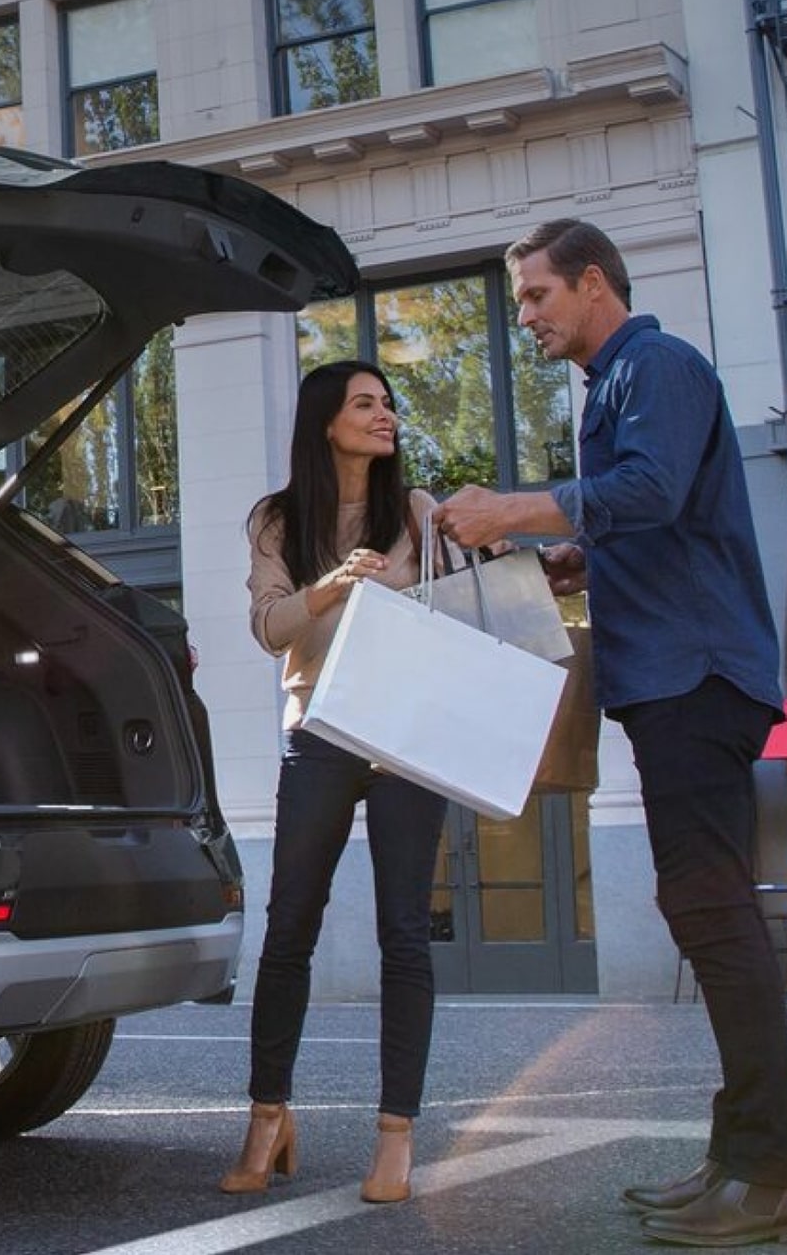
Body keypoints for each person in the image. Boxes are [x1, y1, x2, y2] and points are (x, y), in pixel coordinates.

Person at [434, 220, 787, 1249]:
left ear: (592, 282)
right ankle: (740, 1157)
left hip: (696, 678)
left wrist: (521, 514)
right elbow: (656, 522)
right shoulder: (614, 385)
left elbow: (648, 490)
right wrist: (578, 564)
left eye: (534, 297)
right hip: (670, 682)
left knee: (713, 912)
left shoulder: (655, 364)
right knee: (703, 912)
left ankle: (774, 1172)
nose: (524, 318)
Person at [220, 359, 448, 1204]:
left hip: (405, 736)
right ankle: (267, 1118)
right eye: (365, 404)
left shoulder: (418, 513)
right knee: (289, 935)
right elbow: (269, 626)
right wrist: (334, 584)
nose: (384, 415)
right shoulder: (279, 519)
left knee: (405, 936)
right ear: (326, 422)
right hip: (316, 732)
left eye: (388, 404)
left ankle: (396, 1137)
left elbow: (452, 609)